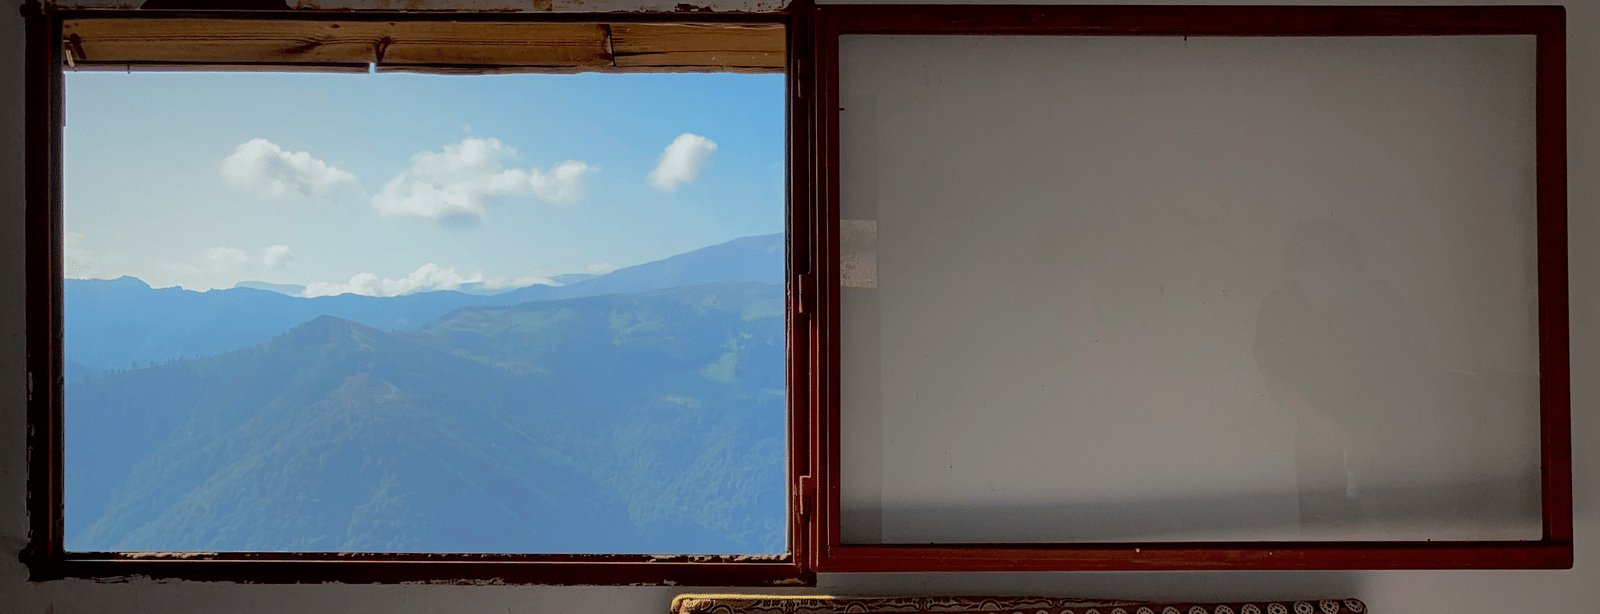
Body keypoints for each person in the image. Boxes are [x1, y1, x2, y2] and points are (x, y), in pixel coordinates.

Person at [1253, 219, 1428, 535]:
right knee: (1323, 528)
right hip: (1317, 435)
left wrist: (1374, 430)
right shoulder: (1278, 307)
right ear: (1297, 269)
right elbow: (1276, 377)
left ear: (1354, 269)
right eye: (1313, 274)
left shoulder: (1385, 302)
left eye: (1335, 274)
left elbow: (1410, 370)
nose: (1323, 285)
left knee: (1390, 528)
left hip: (1383, 435)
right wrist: (1325, 428)